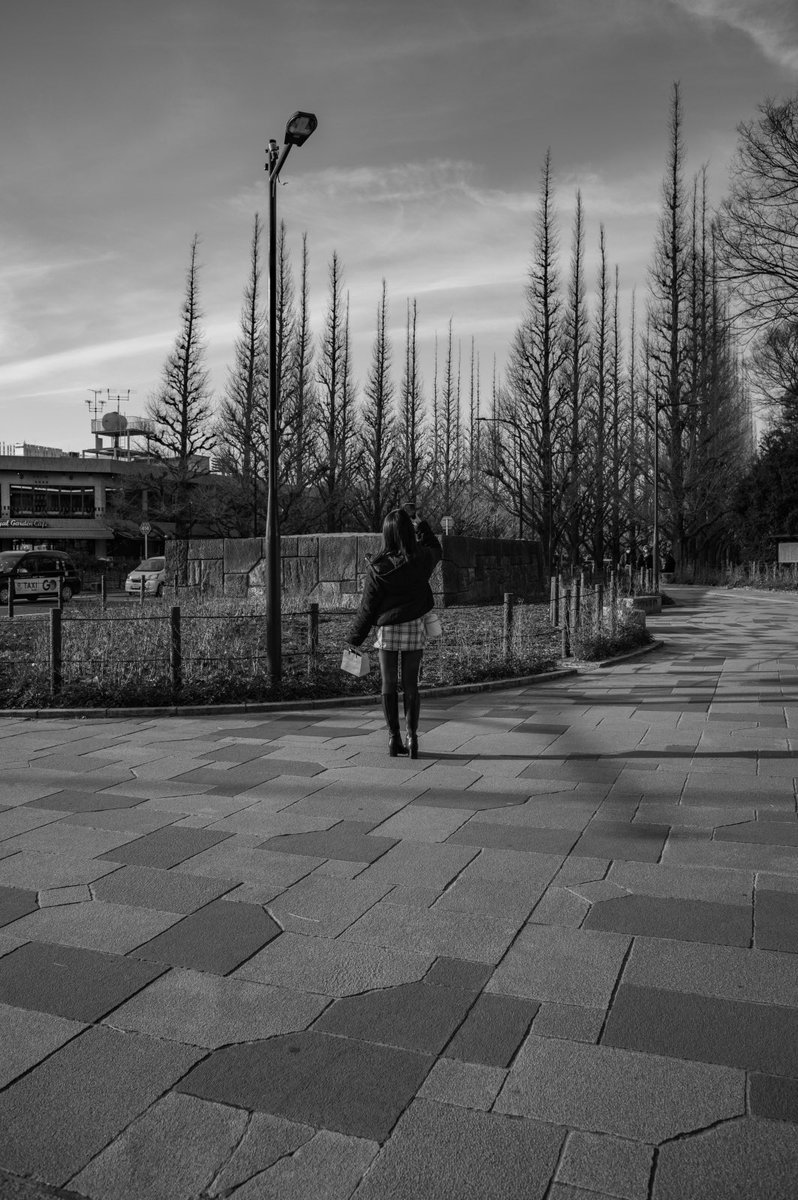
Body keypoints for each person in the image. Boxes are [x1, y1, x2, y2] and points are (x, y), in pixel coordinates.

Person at [346, 508, 442, 758]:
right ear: (409, 533)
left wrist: (354, 640)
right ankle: (412, 738)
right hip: (413, 627)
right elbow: (436, 549)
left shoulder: (378, 567)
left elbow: (367, 608)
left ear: (386, 534)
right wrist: (423, 526)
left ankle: (393, 738)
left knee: (388, 683)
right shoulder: (421, 559)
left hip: (387, 631)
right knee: (411, 684)